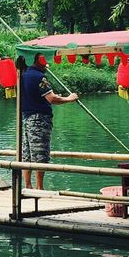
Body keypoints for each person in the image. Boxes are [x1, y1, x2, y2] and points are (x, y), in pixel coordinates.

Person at [19, 54, 80, 190]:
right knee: (40, 153)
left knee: (27, 152)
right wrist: (70, 99)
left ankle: (28, 186)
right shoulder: (39, 77)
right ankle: (40, 188)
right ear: (39, 61)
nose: (47, 66)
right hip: (39, 120)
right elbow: (52, 98)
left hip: (26, 119)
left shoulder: (22, 75)